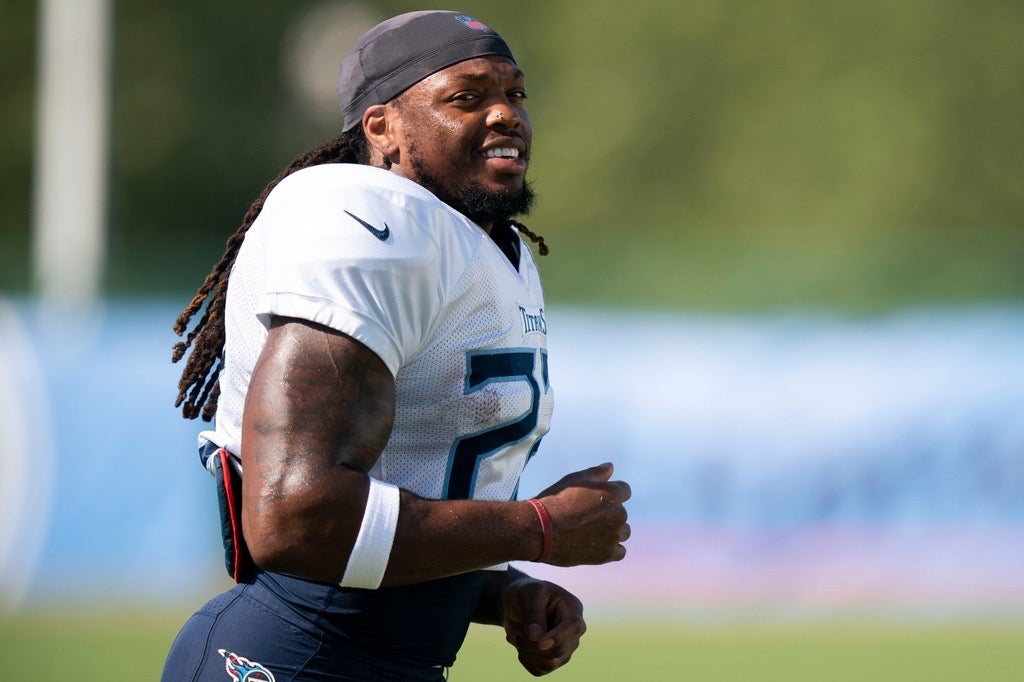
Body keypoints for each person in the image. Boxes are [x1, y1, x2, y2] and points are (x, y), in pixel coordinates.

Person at [163, 10, 631, 681]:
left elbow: (403, 493)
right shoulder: (364, 223)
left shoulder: (485, 246)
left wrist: (499, 593)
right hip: (292, 658)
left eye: (515, 95)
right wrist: (537, 527)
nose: (506, 116)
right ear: (381, 127)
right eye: (467, 98)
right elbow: (296, 520)